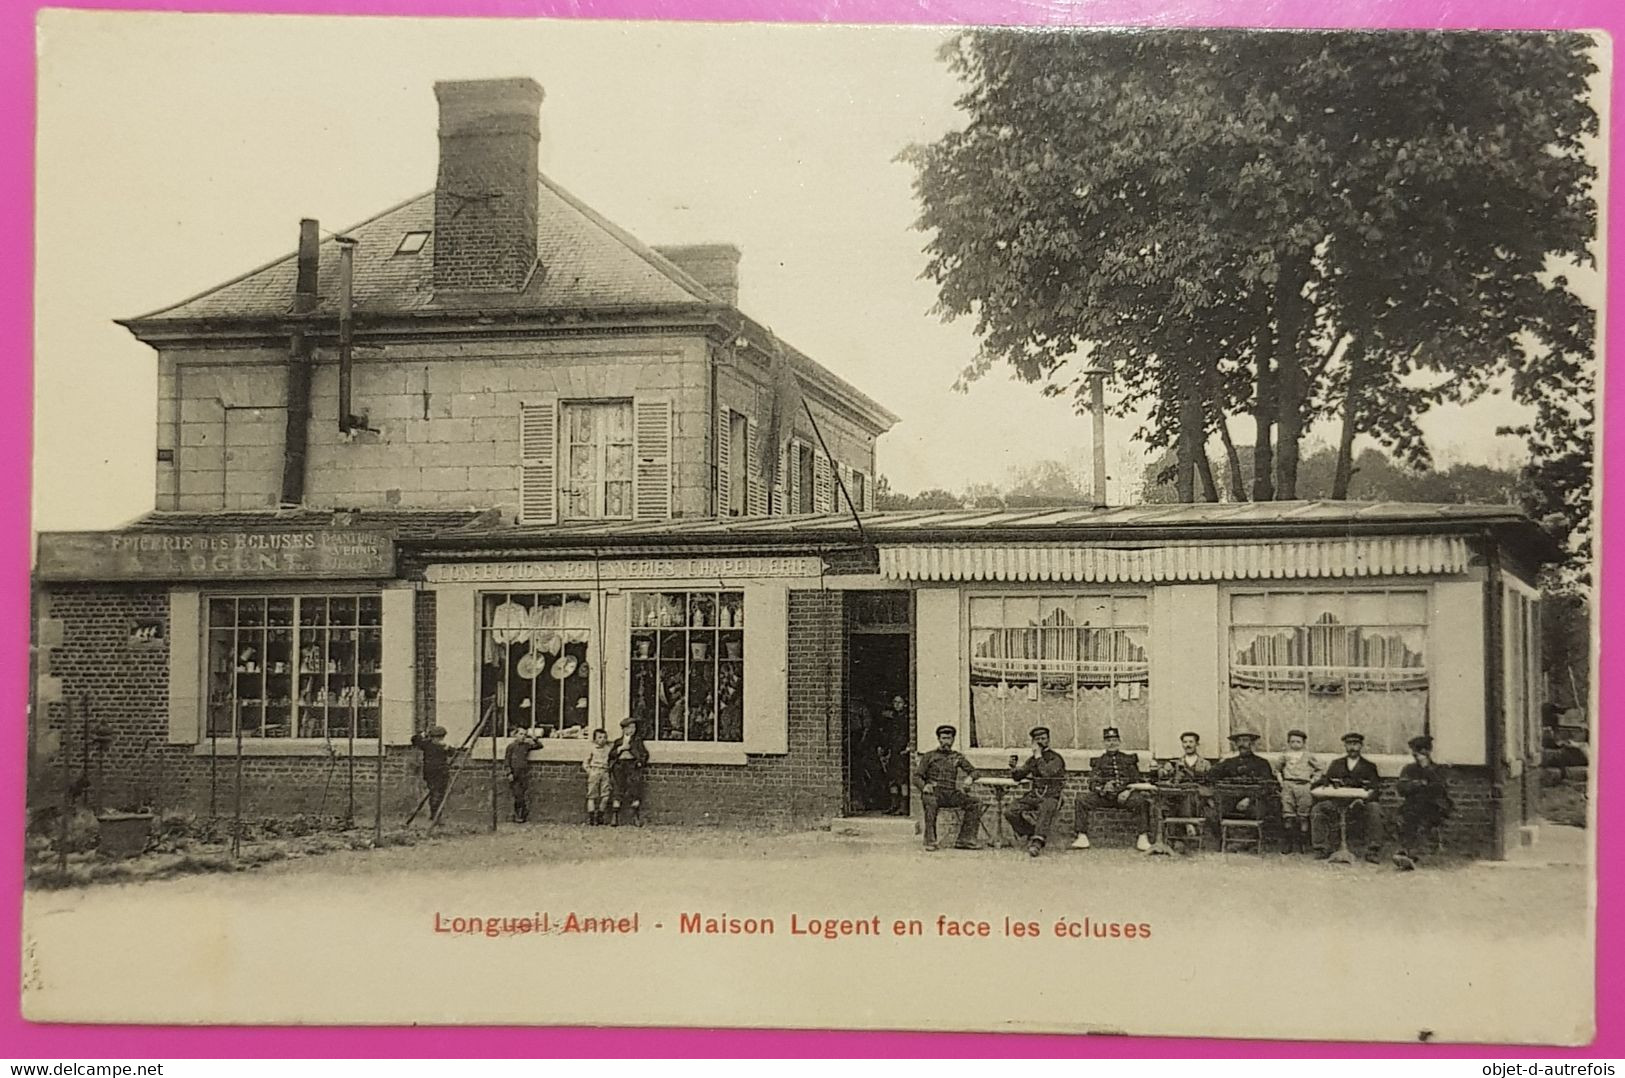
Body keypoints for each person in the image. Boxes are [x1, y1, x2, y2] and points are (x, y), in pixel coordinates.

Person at [1072, 726, 1152, 851]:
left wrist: (1128, 791)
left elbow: (1137, 780)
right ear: (1104, 743)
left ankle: (1143, 836)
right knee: (1081, 799)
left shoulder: (1128, 760)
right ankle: (1082, 836)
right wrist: (1102, 789)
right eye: (1108, 741)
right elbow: (1092, 783)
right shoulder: (1099, 762)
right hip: (1105, 797)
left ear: (1119, 742)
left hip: (1125, 797)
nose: (1112, 743)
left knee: (1141, 801)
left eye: (1114, 740)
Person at [1311, 732, 1385, 862]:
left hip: (1360, 804)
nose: (1352, 747)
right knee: (1318, 808)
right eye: (1349, 744)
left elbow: (1376, 788)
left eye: (1355, 744)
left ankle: (1372, 850)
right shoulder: (1336, 764)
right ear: (1345, 746)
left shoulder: (1369, 766)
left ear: (1361, 746)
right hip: (1337, 803)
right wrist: (1329, 785)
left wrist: (1365, 797)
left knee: (1375, 809)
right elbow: (1326, 782)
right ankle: (1321, 847)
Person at [913, 724, 982, 851]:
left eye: (949, 739)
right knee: (930, 803)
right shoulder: (929, 756)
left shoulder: (957, 757)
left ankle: (965, 840)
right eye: (943, 738)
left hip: (950, 793)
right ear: (939, 739)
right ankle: (930, 841)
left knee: (975, 803)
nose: (946, 742)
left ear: (953, 740)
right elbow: (916, 777)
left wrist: (970, 778)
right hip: (933, 792)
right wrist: (924, 787)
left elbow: (975, 771)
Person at [1392, 735, 1454, 870]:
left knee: (1418, 815)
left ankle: (1410, 853)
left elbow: (1438, 789)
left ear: (1428, 752)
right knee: (1407, 815)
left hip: (1436, 807)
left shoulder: (1439, 770)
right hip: (1412, 807)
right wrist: (1420, 784)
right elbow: (1402, 788)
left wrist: (1425, 773)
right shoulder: (1409, 769)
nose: (1418, 755)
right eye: (1415, 751)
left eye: (1421, 751)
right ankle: (1407, 852)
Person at [1005, 726, 1067, 857]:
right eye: (1037, 739)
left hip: (1052, 795)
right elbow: (1019, 776)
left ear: (1048, 740)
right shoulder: (1032, 759)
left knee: (1046, 807)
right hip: (1035, 795)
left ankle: (1037, 843)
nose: (1040, 742)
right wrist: (1013, 768)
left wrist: (1038, 757)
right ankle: (1031, 832)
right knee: (1010, 811)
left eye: (1043, 739)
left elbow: (1047, 774)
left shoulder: (1056, 758)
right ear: (1033, 742)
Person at [1207, 730, 1278, 839]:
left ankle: (1248, 841)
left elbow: (1267, 785)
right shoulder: (1229, 762)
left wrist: (1249, 799)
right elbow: (1211, 775)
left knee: (1257, 812)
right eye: (1239, 741)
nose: (1241, 744)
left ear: (1252, 744)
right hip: (1231, 799)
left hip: (1254, 800)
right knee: (1213, 813)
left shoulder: (1262, 763)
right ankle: (1226, 840)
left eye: (1245, 740)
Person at [1275, 728, 1322, 854]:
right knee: (1288, 815)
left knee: (1303, 815)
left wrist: (1312, 781)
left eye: (1298, 742)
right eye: (1292, 742)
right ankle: (1289, 844)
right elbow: (1277, 769)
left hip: (1304, 786)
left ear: (1303, 743)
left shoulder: (1308, 756)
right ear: (1288, 743)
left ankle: (1302, 844)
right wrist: (1281, 781)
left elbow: (1319, 770)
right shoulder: (1285, 756)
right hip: (1288, 785)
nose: (1295, 744)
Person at [1157, 731, 1212, 821]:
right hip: (1179, 795)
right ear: (1182, 745)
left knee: (1190, 797)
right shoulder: (1176, 763)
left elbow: (1209, 783)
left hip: (1198, 797)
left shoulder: (1205, 763)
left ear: (1197, 744)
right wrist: (1164, 771)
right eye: (1185, 742)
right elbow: (1168, 778)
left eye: (1191, 742)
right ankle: (1187, 825)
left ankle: (1188, 824)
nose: (1188, 745)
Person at [608, 717, 650, 827]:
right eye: (629, 728)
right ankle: (615, 816)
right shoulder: (618, 742)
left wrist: (640, 762)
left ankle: (636, 817)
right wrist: (621, 749)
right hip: (620, 766)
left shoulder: (637, 741)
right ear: (624, 729)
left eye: (633, 727)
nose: (632, 730)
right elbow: (611, 755)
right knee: (618, 788)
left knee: (634, 788)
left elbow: (644, 754)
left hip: (632, 766)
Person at [409, 725, 453, 822]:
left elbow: (452, 753)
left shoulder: (444, 746)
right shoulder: (427, 744)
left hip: (442, 773)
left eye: (441, 737)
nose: (439, 739)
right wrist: (423, 734)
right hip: (431, 773)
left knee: (439, 794)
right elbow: (414, 740)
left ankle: (436, 815)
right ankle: (435, 816)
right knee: (434, 794)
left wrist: (448, 748)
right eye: (436, 737)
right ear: (432, 737)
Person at [879, 693, 912, 815]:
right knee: (892, 778)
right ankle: (894, 805)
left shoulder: (907, 719)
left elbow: (910, 735)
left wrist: (907, 748)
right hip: (893, 751)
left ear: (905, 704)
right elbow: (888, 735)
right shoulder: (892, 719)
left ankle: (903, 807)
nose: (896, 705)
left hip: (902, 752)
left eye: (899, 702)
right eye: (894, 702)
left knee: (902, 779)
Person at [504, 727, 539, 823]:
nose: (522, 736)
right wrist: (509, 773)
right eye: (520, 734)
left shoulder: (526, 746)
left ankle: (522, 815)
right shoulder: (511, 747)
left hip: (523, 773)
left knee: (523, 795)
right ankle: (517, 814)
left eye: (524, 734)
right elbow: (507, 760)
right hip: (514, 773)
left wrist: (533, 738)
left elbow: (539, 746)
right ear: (515, 735)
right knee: (517, 794)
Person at [583, 727, 613, 825]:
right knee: (592, 795)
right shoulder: (591, 749)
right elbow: (585, 761)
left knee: (606, 795)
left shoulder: (608, 749)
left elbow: (612, 760)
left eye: (604, 737)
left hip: (605, 771)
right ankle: (591, 818)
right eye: (599, 737)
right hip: (595, 771)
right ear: (595, 739)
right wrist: (589, 771)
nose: (602, 739)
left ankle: (600, 816)